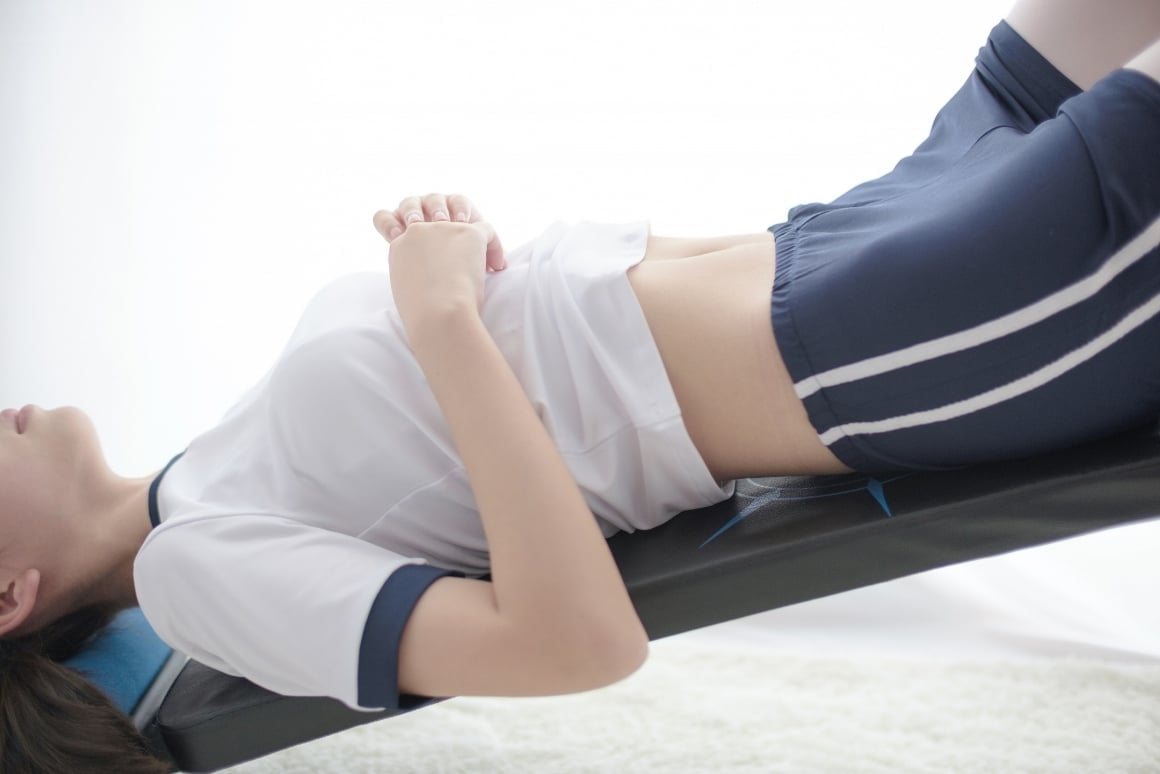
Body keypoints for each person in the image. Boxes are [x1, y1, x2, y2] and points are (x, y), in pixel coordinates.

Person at [3, 1, 1159, 771]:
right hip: (905, 331)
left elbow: (558, 368)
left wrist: (467, 289)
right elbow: (572, 646)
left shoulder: (210, 472)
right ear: (10, 598)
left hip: (867, 231)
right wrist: (443, 318)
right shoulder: (193, 575)